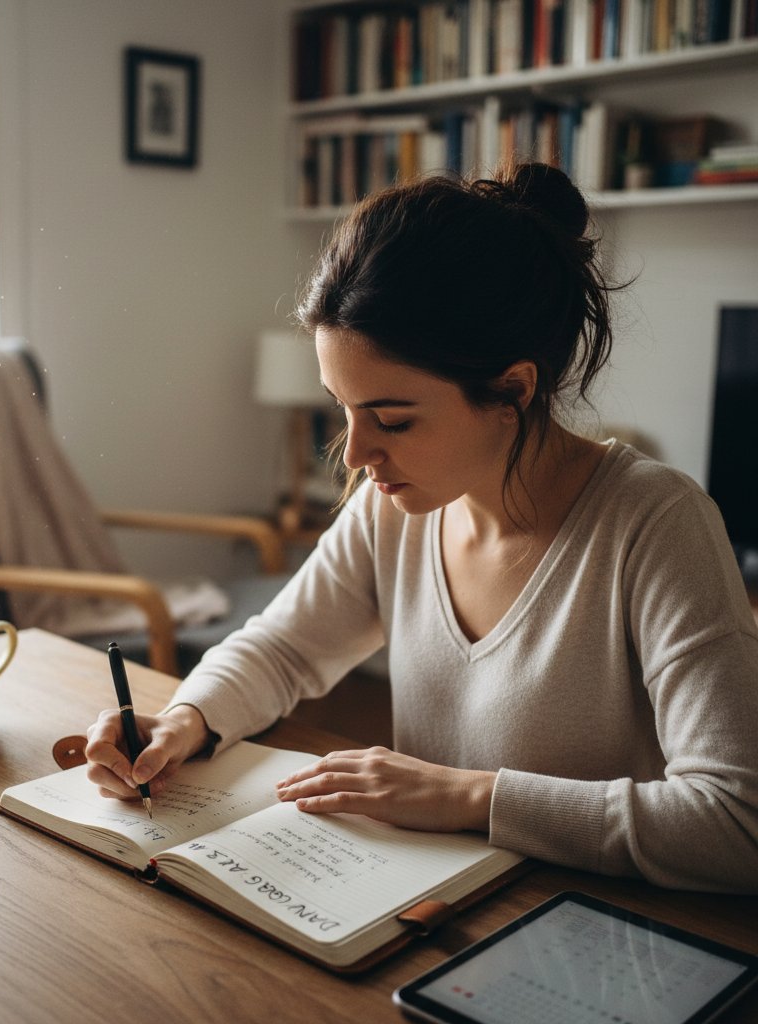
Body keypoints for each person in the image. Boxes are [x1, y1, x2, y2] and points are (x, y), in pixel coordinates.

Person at [85, 162, 758, 892]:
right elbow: (281, 650)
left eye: (394, 420)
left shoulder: (655, 525)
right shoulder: (392, 506)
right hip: (427, 912)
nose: (359, 453)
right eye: (341, 409)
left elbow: (735, 821)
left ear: (514, 390)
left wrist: (467, 795)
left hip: (601, 934)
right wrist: (186, 719)